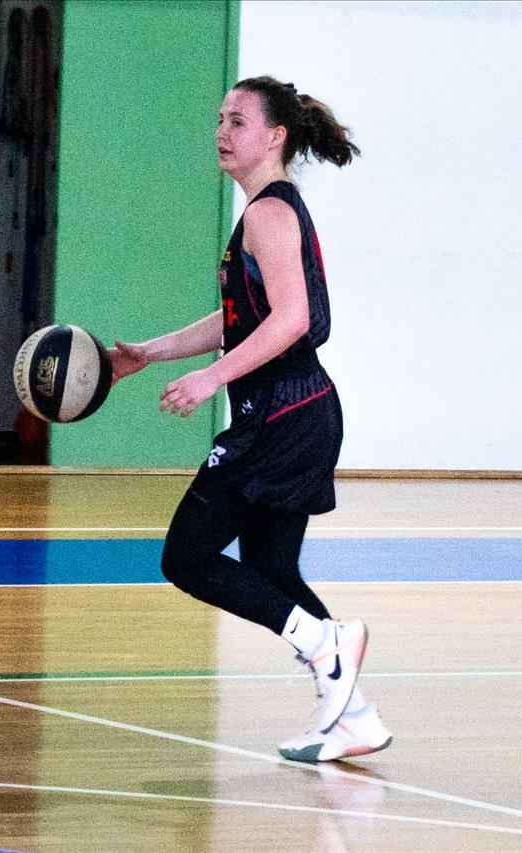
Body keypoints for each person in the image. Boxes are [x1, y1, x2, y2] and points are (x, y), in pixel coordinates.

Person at [108, 76, 390, 762]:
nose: (222, 132)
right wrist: (150, 352)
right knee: (271, 567)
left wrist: (211, 378)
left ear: (275, 137)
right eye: (220, 119)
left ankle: (326, 643)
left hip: (282, 414)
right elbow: (239, 318)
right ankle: (353, 715)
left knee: (187, 557)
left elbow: (291, 319)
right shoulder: (266, 212)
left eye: (238, 121)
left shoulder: (268, 214)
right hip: (297, 411)